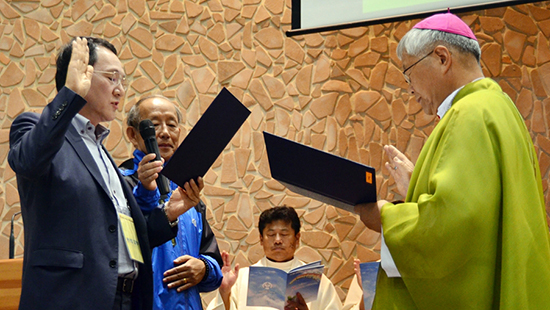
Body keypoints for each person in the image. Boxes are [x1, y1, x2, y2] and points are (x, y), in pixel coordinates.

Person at [354, 13, 550, 309]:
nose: (409, 88)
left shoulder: (468, 115)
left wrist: (386, 218)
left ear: (442, 58)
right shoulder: (497, 106)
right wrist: (415, 193)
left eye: (408, 73)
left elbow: (457, 232)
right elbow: (484, 216)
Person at [8, 37, 202, 310]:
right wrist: (69, 95)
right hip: (70, 298)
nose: (120, 90)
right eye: (112, 78)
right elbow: (27, 161)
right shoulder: (35, 126)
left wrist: (169, 213)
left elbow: (123, 235)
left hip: (124, 297)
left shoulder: (103, 154)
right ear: (80, 75)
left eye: (123, 81)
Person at [119, 94, 223, 310]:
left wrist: (203, 268)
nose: (165, 132)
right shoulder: (120, 184)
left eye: (172, 125)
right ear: (132, 134)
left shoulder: (188, 189)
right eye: (154, 125)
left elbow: (214, 262)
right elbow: (119, 255)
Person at [206, 205, 342, 310]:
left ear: (297, 238)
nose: (277, 240)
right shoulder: (242, 279)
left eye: (284, 234)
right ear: (261, 239)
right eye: (271, 234)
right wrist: (224, 292)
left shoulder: (315, 280)